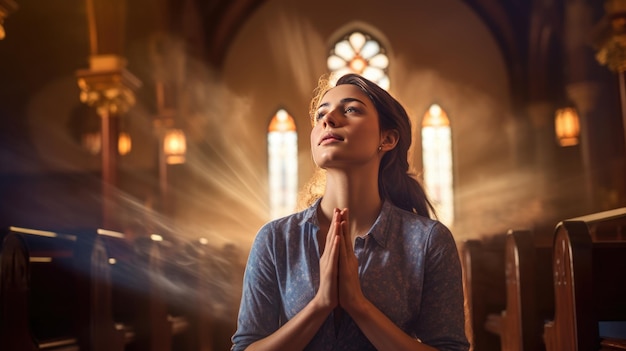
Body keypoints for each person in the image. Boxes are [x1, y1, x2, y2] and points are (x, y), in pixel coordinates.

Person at [231, 73, 469, 351]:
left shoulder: (428, 241)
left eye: (351, 109)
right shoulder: (275, 239)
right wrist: (320, 304)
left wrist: (358, 305)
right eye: (321, 114)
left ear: (388, 138)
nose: (328, 119)